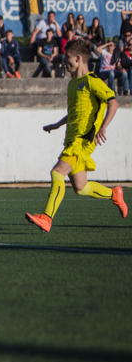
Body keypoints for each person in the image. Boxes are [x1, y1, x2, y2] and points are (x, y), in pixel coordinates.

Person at [25, 40, 126, 233]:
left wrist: (103, 127)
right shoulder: (73, 83)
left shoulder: (92, 81)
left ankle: (46, 217)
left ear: (78, 58)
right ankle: (115, 194)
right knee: (81, 187)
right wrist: (56, 125)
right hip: (72, 139)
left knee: (57, 173)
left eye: (67, 57)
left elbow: (113, 103)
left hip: (82, 141)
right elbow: (75, 112)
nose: (64, 61)